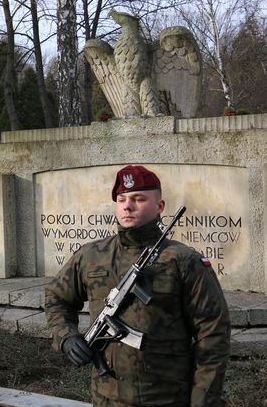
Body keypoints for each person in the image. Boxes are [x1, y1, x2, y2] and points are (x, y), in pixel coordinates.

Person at [45, 165, 230, 407]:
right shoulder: (91, 255)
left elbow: (213, 334)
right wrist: (66, 336)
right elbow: (56, 298)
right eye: (121, 199)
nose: (127, 206)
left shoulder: (184, 261)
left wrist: (202, 401)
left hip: (168, 398)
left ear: (160, 206)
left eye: (138, 199)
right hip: (106, 398)